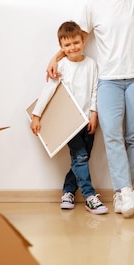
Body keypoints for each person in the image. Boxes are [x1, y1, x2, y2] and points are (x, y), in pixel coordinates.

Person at [46, 0, 134, 218]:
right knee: (113, 136)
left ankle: (123, 192)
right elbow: (76, 37)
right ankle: (124, 191)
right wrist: (55, 58)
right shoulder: (93, 4)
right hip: (109, 80)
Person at [31, 21, 108, 215]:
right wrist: (36, 115)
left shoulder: (91, 64)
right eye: (67, 45)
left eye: (76, 42)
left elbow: (94, 91)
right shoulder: (61, 66)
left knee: (81, 158)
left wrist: (94, 114)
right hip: (69, 124)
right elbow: (48, 91)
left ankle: (68, 192)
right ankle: (90, 196)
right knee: (80, 157)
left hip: (87, 122)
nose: (72, 47)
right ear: (61, 47)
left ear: (83, 41)